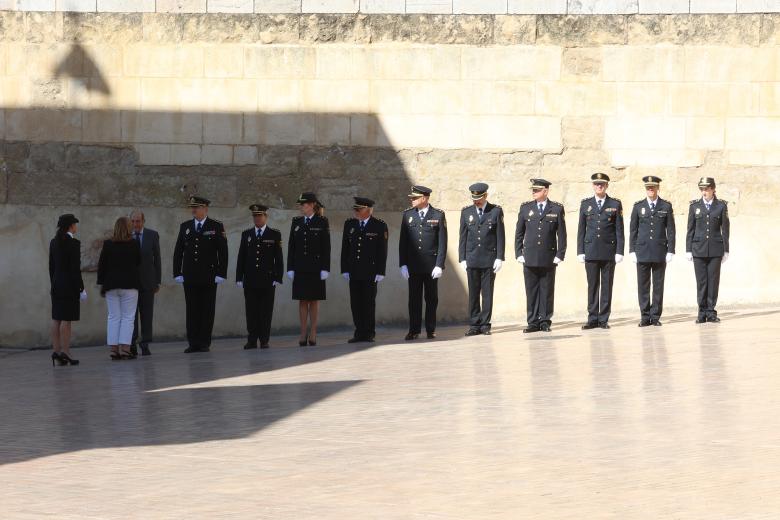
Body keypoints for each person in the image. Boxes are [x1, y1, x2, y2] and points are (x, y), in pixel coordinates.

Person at [172, 196, 228, 353]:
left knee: (207, 309)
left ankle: (204, 342)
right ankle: (193, 342)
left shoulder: (216, 226)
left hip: (209, 275)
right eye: (192, 207)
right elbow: (178, 251)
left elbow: (223, 252)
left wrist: (221, 273)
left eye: (197, 207)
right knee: (192, 309)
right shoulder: (186, 226)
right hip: (189, 275)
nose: (194, 210)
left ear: (205, 208)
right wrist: (177, 272)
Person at [515, 179, 567, 333]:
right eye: (533, 190)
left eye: (537, 190)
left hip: (548, 256)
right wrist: (518, 253)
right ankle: (532, 322)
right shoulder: (526, 208)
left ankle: (544, 321)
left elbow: (562, 234)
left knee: (546, 290)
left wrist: (560, 254)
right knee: (531, 290)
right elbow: (519, 233)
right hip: (529, 256)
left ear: (546, 191)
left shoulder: (556, 209)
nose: (534, 192)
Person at [398, 185, 447, 341]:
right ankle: (414, 329)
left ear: (424, 198)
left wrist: (439, 264)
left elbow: (442, 242)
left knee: (431, 299)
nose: (411, 200)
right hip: (413, 265)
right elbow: (403, 242)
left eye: (415, 197)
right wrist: (403, 264)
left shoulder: (438, 215)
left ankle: (431, 329)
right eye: (411, 198)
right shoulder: (407, 215)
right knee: (414, 299)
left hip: (431, 266)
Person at [577, 172, 624, 330]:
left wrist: (619, 251)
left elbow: (619, 230)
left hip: (608, 251)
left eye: (602, 184)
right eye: (597, 184)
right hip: (590, 250)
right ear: (593, 186)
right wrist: (580, 251)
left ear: (607, 186)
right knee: (592, 286)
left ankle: (603, 319)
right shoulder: (586, 204)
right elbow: (581, 230)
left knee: (606, 286)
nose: (599, 186)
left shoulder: (615, 204)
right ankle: (592, 318)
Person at [459, 182, 505, 336]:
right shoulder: (466, 212)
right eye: (474, 198)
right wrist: (462, 258)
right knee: (473, 294)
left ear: (485, 196)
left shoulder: (496, 211)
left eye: (478, 198)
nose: (476, 201)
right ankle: (474, 324)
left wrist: (499, 257)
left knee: (487, 294)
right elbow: (463, 237)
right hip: (472, 259)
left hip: (488, 259)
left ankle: (485, 324)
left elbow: (500, 236)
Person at [629, 176, 676, 327]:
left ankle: (655, 316)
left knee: (658, 285)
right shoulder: (638, 206)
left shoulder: (666, 206)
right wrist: (632, 250)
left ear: (658, 188)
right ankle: (644, 316)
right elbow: (633, 230)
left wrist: (671, 250)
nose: (650, 189)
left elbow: (671, 230)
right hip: (642, 251)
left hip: (659, 251)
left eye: (653, 187)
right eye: (648, 187)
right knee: (643, 285)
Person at [341, 197, 388, 343]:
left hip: (370, 271)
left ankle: (369, 333)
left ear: (368, 210)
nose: (355, 212)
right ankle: (358, 332)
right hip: (354, 271)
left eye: (359, 209)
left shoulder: (379, 226)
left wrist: (381, 271)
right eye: (355, 209)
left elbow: (382, 251)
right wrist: (345, 269)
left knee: (368, 303)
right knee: (355, 303)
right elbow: (345, 249)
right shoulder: (350, 224)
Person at [236, 204, 284, 349]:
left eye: (259, 215)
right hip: (250, 280)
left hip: (267, 280)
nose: (257, 218)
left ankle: (264, 340)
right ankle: (251, 339)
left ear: (265, 216)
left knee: (265, 311)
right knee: (251, 311)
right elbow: (241, 257)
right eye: (255, 216)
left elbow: (279, 258)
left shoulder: (274, 234)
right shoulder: (247, 234)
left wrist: (278, 277)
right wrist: (239, 277)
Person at [287, 193, 330, 346]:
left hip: (316, 267)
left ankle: (313, 331)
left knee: (314, 300)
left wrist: (325, 268)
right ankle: (303, 331)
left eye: (304, 205)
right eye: (300, 205)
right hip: (300, 267)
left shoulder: (322, 222)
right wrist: (290, 267)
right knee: (302, 300)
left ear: (312, 205)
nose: (301, 207)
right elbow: (291, 246)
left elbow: (326, 247)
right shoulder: (296, 222)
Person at [686, 177, 730, 323]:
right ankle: (701, 312)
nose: (704, 192)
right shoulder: (694, 206)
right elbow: (690, 230)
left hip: (716, 250)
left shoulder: (721, 206)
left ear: (713, 189)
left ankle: (711, 312)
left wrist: (726, 250)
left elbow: (725, 229)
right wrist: (688, 249)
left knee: (713, 281)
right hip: (698, 249)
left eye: (706, 189)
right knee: (701, 282)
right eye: (702, 189)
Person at [97, 217, 141, 360]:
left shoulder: (108, 244)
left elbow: (102, 265)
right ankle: (125, 349)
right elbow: (138, 262)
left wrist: (102, 283)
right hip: (130, 285)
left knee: (113, 316)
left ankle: (113, 349)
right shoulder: (134, 244)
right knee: (128, 317)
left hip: (111, 285)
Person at [48, 214, 84, 366]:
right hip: (69, 285)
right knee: (66, 320)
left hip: (56, 284)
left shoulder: (53, 242)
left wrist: (54, 282)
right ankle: (66, 352)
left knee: (57, 318)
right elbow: (75, 269)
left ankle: (56, 351)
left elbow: (51, 267)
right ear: (70, 226)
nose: (76, 226)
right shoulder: (73, 243)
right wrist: (81, 287)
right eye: (75, 224)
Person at [129, 210, 161, 356]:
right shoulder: (126, 236)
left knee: (147, 314)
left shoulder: (152, 235)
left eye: (138, 221)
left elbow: (157, 260)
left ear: (143, 221)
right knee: (132, 315)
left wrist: (157, 281)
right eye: (133, 221)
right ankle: (132, 343)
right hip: (131, 283)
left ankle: (145, 343)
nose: (136, 224)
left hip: (148, 282)